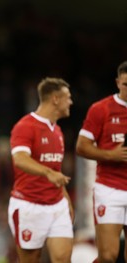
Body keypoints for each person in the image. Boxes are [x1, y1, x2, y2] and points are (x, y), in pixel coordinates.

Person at [8, 77, 74, 263]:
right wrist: (47, 173)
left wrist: (66, 199)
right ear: (55, 99)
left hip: (56, 205)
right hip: (29, 205)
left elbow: (56, 171)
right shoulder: (25, 126)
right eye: (67, 97)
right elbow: (20, 159)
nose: (71, 102)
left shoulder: (57, 131)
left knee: (63, 258)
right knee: (31, 259)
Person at [76, 61, 127, 263]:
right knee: (108, 256)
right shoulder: (101, 109)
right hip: (109, 188)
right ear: (117, 82)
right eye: (126, 84)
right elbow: (82, 146)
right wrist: (110, 155)